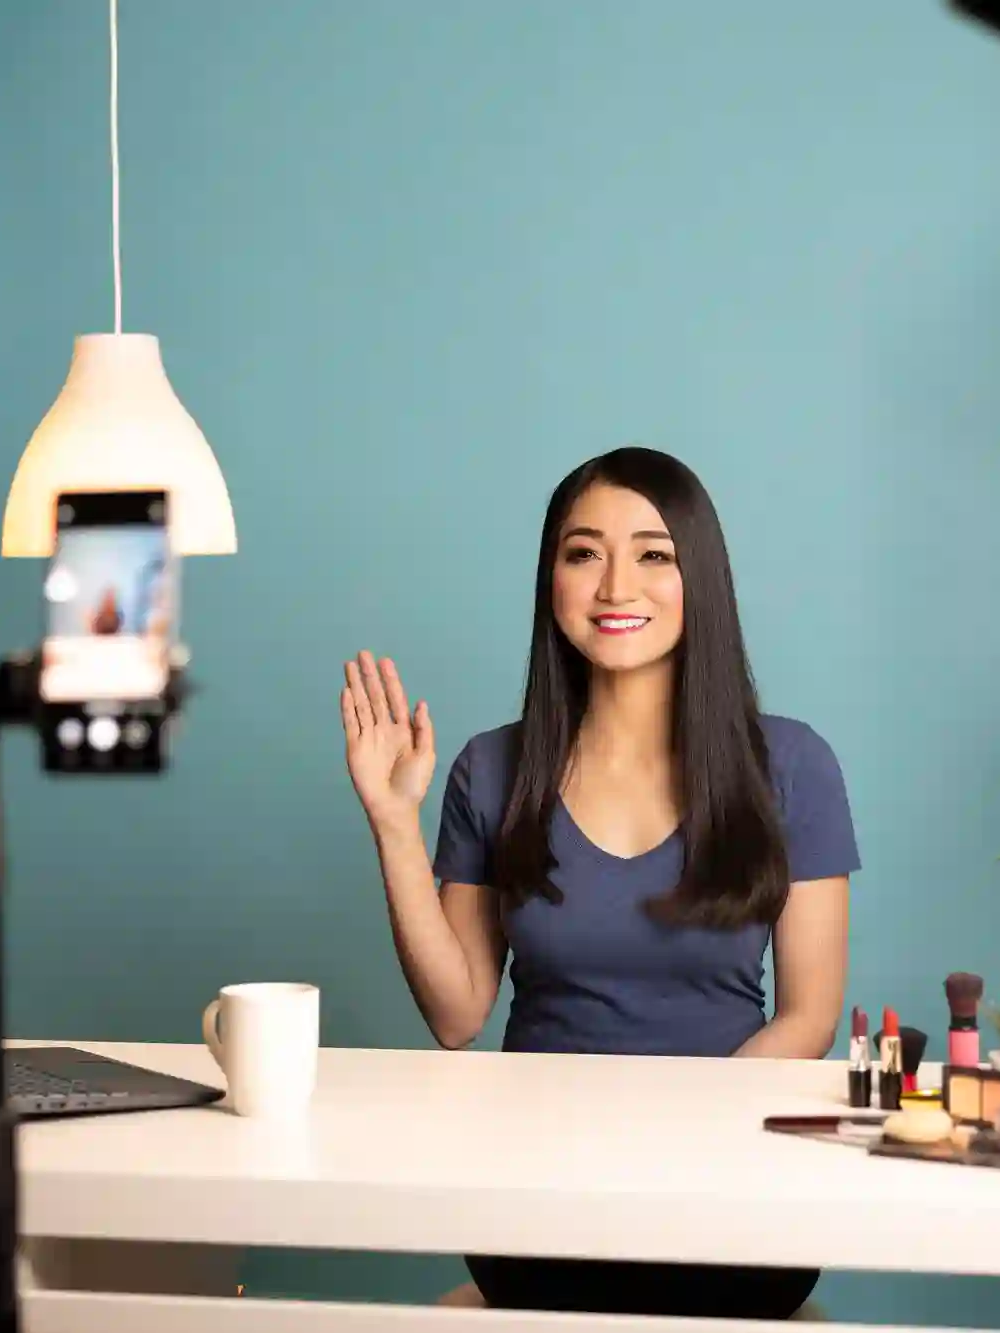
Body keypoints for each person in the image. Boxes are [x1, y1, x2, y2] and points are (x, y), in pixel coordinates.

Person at [338, 446, 859, 1320]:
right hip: (537, 1198)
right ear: (552, 581)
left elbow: (809, 1016)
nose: (617, 585)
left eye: (654, 554)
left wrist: (677, 1142)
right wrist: (393, 822)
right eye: (584, 553)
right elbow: (457, 1014)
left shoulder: (792, 764)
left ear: (700, 578)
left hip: (731, 1193)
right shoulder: (491, 769)